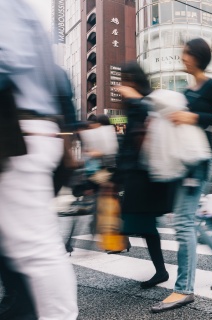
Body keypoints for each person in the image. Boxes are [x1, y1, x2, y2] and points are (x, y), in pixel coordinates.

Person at [0, 1, 78, 319]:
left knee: (33, 247)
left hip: (20, 130)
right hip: (33, 129)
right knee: (30, 245)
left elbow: (8, 59)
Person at [150, 38, 212, 312]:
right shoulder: (186, 90)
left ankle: (184, 289)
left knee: (184, 222)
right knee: (190, 220)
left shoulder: (210, 86)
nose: (182, 58)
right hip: (186, 159)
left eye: (185, 54)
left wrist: (194, 117)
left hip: (201, 160)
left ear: (196, 57)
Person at [115, 62, 177, 289]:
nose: (122, 85)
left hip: (143, 175)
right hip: (140, 173)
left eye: (125, 80)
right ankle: (160, 271)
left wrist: (132, 100)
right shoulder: (140, 103)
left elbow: (140, 132)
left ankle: (161, 270)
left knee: (138, 222)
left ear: (133, 80)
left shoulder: (143, 103)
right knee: (145, 225)